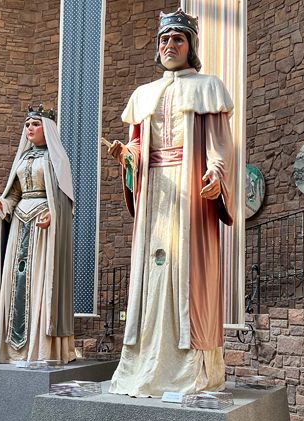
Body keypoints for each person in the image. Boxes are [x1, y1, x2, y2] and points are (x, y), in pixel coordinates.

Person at [105, 8, 236, 397]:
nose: (169, 45)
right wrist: (126, 155)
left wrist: (216, 175)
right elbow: (139, 145)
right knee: (152, 270)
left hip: (189, 188)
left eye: (178, 39)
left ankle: (189, 370)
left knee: (186, 270)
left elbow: (220, 144)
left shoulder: (208, 87)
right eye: (164, 39)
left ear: (190, 46)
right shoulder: (143, 94)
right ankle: (145, 362)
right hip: (154, 193)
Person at [0, 105, 76, 364]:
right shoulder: (23, 159)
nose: (30, 128)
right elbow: (15, 193)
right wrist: (4, 204)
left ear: (47, 128)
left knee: (39, 279)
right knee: (15, 279)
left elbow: (63, 200)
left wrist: (53, 214)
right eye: (27, 124)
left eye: (35, 124)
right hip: (20, 223)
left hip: (42, 225)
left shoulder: (56, 159)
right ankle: (12, 351)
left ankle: (40, 349)